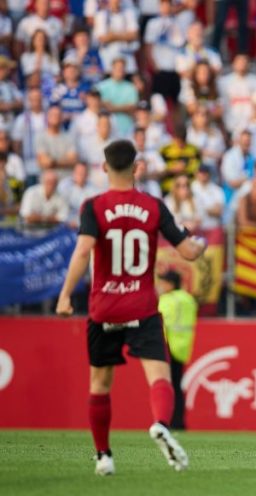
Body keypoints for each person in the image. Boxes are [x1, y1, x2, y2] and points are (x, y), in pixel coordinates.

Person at [55, 139, 206, 476]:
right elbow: (189, 253)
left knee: (100, 384)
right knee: (159, 376)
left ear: (105, 167)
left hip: (104, 307)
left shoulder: (93, 206)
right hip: (142, 306)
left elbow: (82, 252)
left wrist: (65, 295)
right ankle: (161, 425)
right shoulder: (153, 207)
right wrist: (198, 242)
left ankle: (104, 456)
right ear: (137, 167)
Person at [157, 270, 198, 431]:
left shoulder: (166, 300)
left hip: (167, 346)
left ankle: (167, 420)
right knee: (177, 385)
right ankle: (178, 421)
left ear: (171, 284)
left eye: (164, 282)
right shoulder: (189, 299)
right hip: (182, 347)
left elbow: (160, 319)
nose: (161, 286)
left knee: (166, 385)